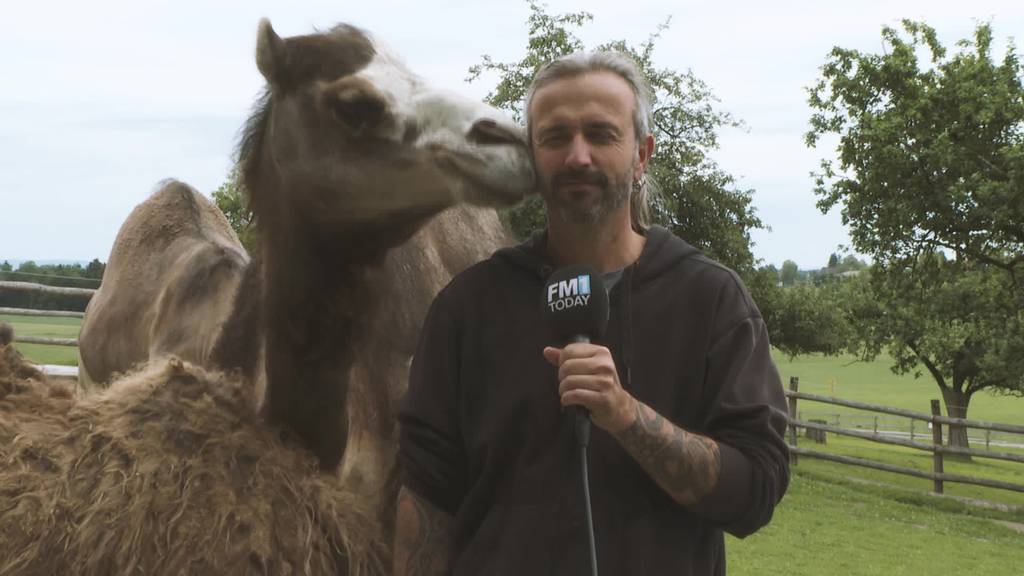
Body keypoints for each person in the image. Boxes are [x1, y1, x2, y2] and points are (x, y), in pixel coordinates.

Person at [394, 51, 789, 576]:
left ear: (642, 154)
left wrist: (626, 416)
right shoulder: (467, 308)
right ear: (533, 158)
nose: (578, 156)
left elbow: (755, 490)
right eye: (555, 138)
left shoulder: (711, 299)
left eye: (601, 134)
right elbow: (426, 504)